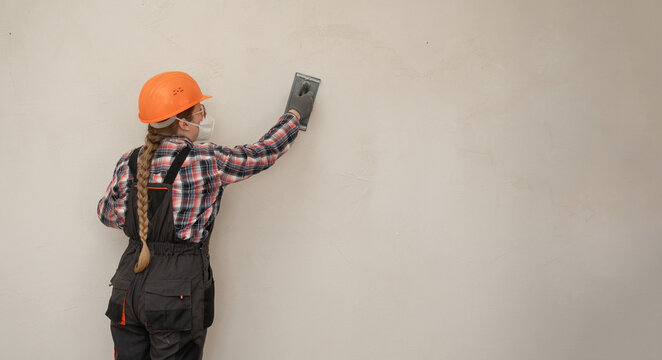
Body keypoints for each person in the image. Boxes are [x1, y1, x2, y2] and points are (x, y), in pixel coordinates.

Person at [97, 71, 314, 359]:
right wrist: (294, 114)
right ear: (182, 122)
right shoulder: (206, 160)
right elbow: (264, 152)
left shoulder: (129, 161)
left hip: (127, 291)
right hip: (175, 296)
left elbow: (107, 214)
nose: (203, 117)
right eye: (200, 111)